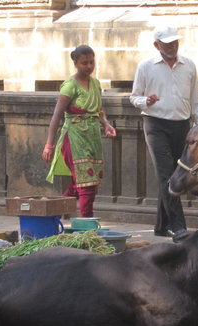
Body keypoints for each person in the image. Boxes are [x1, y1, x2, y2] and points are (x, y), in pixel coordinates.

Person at [130, 26, 198, 241]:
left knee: (178, 172)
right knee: (166, 174)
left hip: (182, 124)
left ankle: (161, 225)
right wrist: (146, 101)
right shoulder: (146, 67)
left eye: (175, 42)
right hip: (155, 124)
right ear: (157, 45)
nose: (172, 46)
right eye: (167, 43)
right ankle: (177, 225)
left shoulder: (188, 65)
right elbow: (134, 97)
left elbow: (195, 98)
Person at [43, 45, 116, 218]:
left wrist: (106, 124)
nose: (89, 66)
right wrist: (49, 145)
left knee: (84, 183)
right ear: (76, 63)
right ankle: (86, 225)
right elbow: (56, 116)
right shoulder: (70, 85)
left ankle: (53, 214)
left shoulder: (95, 83)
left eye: (91, 62)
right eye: (84, 63)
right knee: (86, 185)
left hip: (92, 137)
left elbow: (98, 110)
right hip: (74, 137)